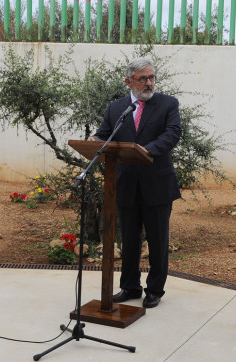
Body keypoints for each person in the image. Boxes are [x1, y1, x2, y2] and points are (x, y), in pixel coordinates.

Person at [90, 57, 181, 308]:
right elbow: (105, 134)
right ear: (129, 81)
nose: (149, 83)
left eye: (152, 77)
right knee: (129, 240)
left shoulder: (168, 104)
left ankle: (155, 290)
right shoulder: (116, 107)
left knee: (157, 240)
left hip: (157, 185)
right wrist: (96, 139)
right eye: (144, 79)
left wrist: (147, 149)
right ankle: (130, 287)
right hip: (126, 184)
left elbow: (173, 133)